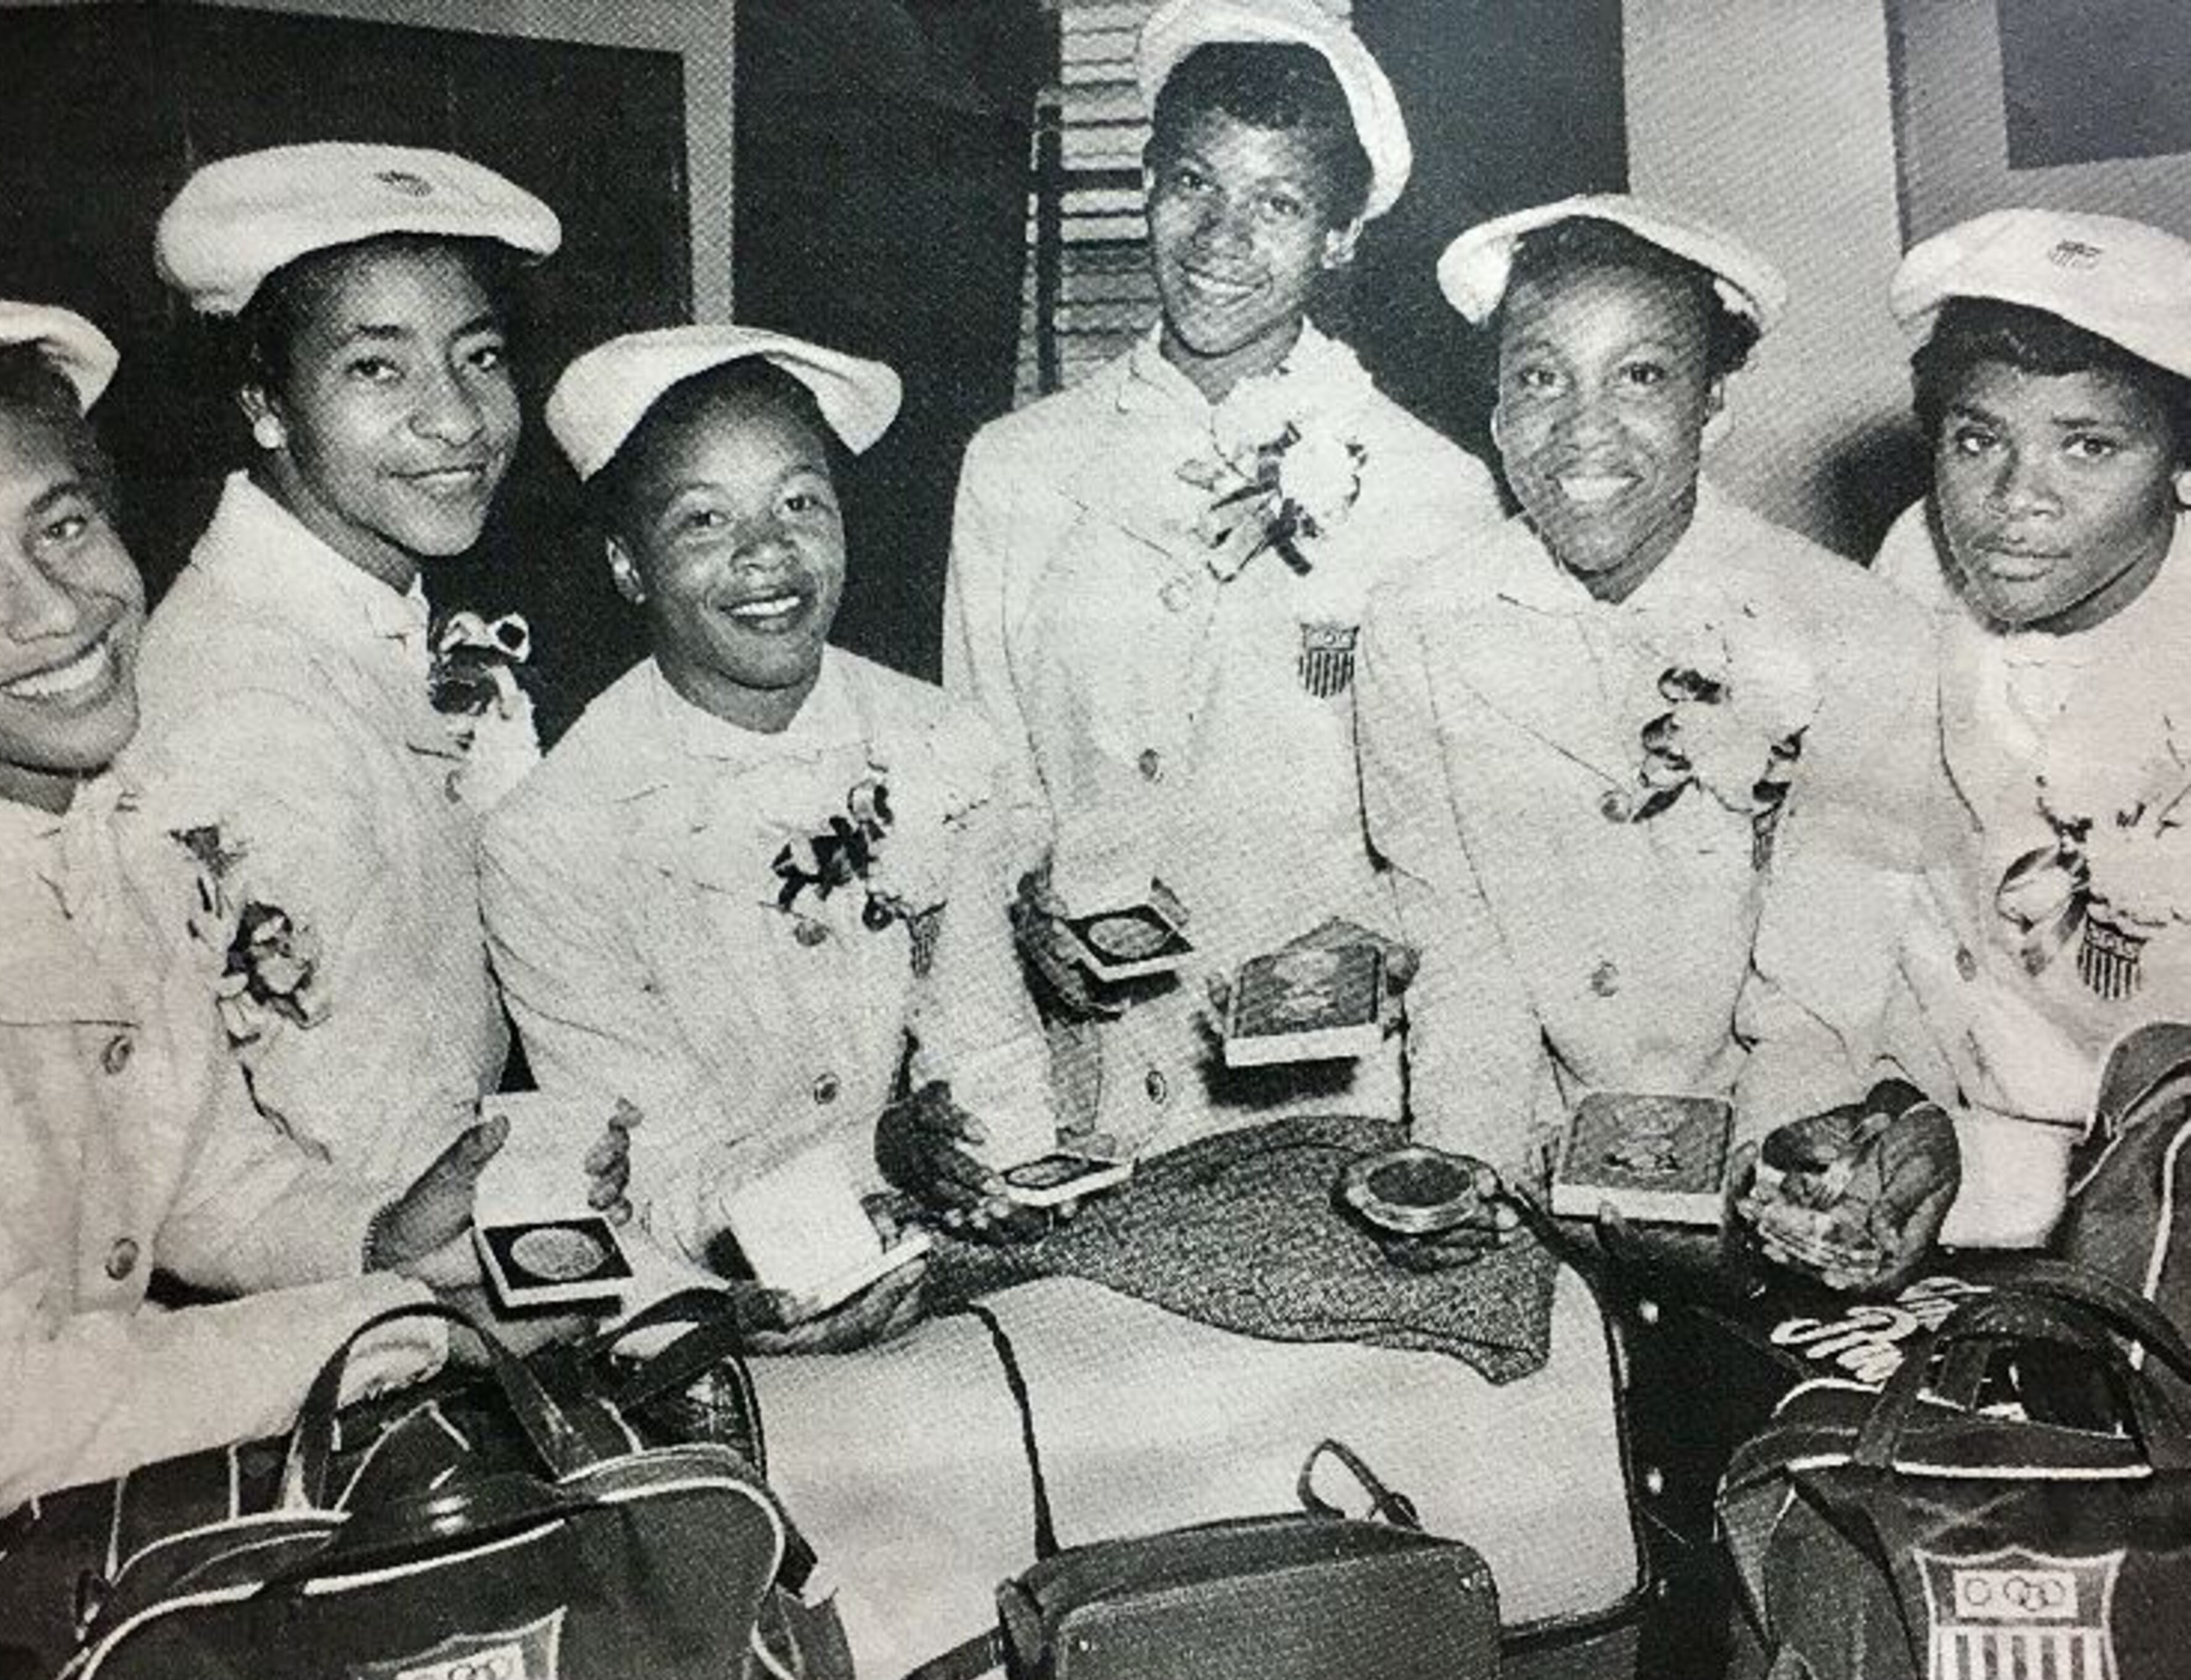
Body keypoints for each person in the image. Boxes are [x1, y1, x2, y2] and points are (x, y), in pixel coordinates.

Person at [0, 297, 490, 1680]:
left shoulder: (89, 804)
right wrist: (377, 1321)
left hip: (38, 1596)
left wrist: (377, 1234)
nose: (55, 612)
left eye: (60, 528)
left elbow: (190, 1172)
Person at [942, 0, 1498, 1158]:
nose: (1220, 238)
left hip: (1322, 1110)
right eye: (1192, 183)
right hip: (1077, 1092)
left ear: (1341, 237)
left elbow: (1463, 849)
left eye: (1278, 204)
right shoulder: (1016, 471)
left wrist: (1379, 941)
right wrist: (1025, 901)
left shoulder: (1431, 493)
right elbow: (984, 788)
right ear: (1144, 185)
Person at [481, 326, 1059, 1353]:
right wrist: (878, 1164)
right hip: (730, 1309)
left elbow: (989, 1042)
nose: (767, 552)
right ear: (627, 564)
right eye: (703, 520)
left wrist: (1003, 1186)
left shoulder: (942, 739)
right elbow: (661, 1167)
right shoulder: (554, 835)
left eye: (801, 502)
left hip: (964, 1265)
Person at [1357, 195, 1931, 1180]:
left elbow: (1821, 997)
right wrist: (1468, 1175)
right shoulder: (1417, 625)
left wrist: (1772, 1186)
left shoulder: (1859, 631)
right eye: (1541, 377)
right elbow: (1462, 960)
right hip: (1531, 1151)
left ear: (1713, 404)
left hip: (1782, 1146)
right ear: (1494, 410)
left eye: (1642, 377)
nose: (1584, 430)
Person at [1735, 209, 2191, 1279]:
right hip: (1976, 1160)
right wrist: (1901, 1103)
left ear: (2180, 456)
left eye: (2088, 445)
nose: (2015, 500)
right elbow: (1869, 877)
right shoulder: (1914, 561)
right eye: (1978, 438)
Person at [129, 142, 560, 1198]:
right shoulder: (246, 699)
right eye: (378, 366)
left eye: (481, 355)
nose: (456, 418)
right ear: (265, 403)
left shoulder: (378, 608)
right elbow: (371, 1137)